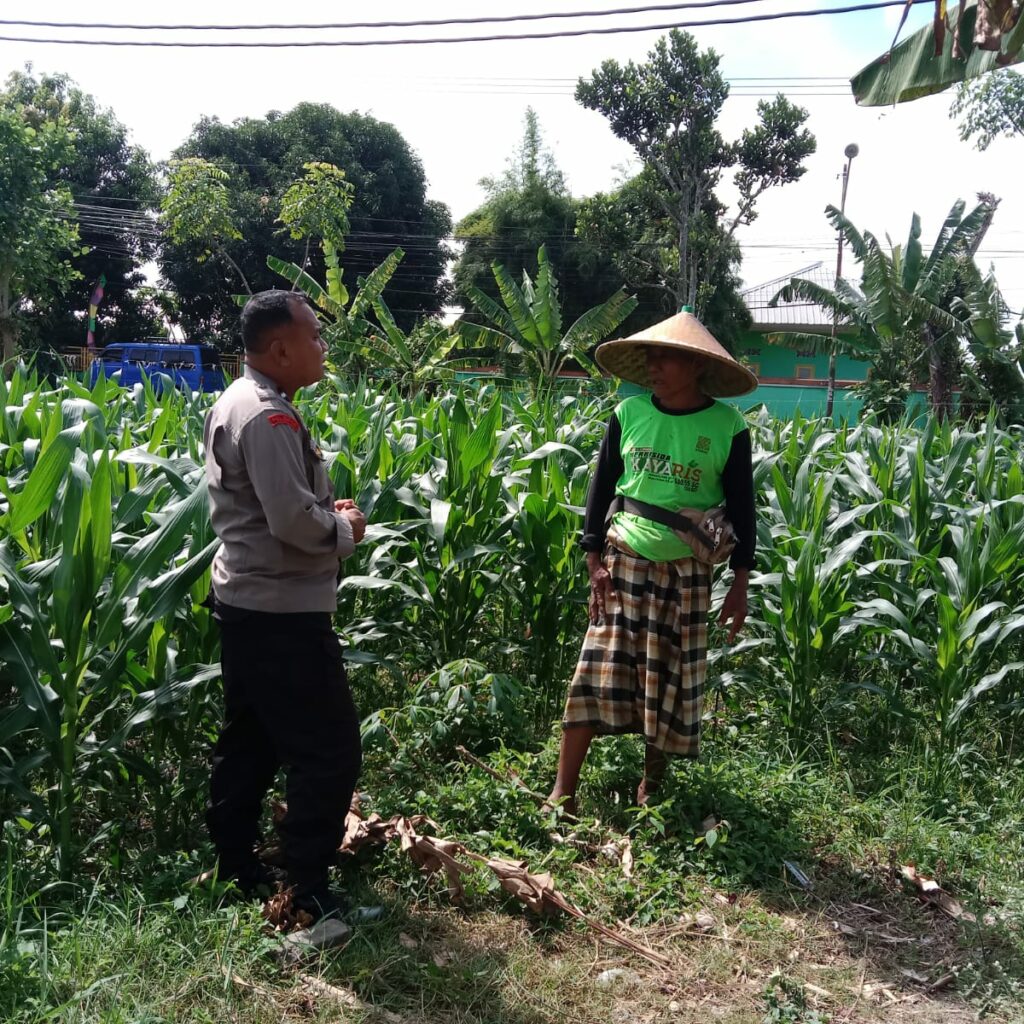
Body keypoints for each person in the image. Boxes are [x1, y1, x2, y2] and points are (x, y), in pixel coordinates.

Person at [545, 308, 758, 816]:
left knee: (666, 676)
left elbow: (743, 508)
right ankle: (563, 792)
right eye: (651, 358)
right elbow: (599, 494)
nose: (655, 367)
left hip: (687, 570)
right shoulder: (628, 415)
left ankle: (650, 786)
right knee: (593, 671)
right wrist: (594, 560)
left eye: (666, 358)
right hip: (624, 562)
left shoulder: (727, 426)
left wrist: (740, 583)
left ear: (695, 366)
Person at [203, 290, 366, 922]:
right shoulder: (266, 416)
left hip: (250, 602)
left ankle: (236, 867)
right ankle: (304, 894)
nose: (322, 348)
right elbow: (293, 522)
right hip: (281, 611)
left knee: (253, 740)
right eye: (315, 337)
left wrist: (326, 514)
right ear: (280, 349)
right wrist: (347, 526)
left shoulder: (245, 402)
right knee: (329, 748)